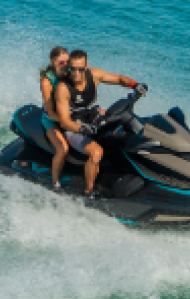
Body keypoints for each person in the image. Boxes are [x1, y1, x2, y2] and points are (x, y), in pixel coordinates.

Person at [55, 49, 148, 197]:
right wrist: (83, 129)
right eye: (73, 69)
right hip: (75, 129)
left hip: (94, 119)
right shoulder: (63, 88)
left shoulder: (94, 75)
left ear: (86, 66)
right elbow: (65, 122)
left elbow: (119, 79)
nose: (77, 73)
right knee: (96, 152)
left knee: (122, 132)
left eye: (81, 69)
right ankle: (88, 191)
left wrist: (135, 85)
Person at [39, 46, 70, 191]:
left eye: (67, 62)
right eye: (61, 63)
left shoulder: (71, 74)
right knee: (62, 148)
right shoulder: (47, 81)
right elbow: (50, 112)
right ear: (53, 62)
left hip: (70, 117)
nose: (65, 66)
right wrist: (66, 121)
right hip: (51, 120)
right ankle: (55, 182)